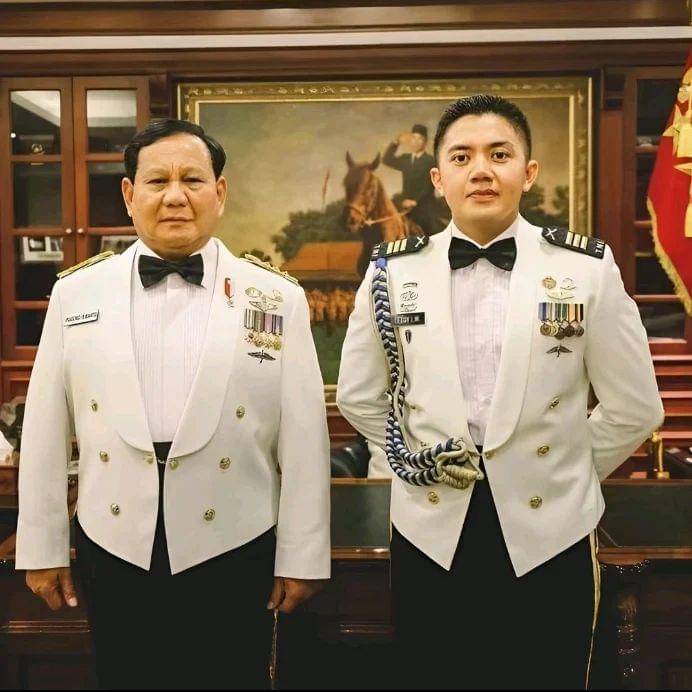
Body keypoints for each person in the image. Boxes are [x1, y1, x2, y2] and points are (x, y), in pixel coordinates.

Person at [337, 95, 663, 690]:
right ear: (438, 180)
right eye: (462, 157)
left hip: (551, 531)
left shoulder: (587, 270)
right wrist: (417, 458)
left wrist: (558, 468)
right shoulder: (391, 271)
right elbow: (359, 396)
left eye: (499, 154)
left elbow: (636, 406)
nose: (481, 170)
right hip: (431, 526)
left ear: (528, 172)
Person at [15, 118, 331, 690]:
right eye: (157, 181)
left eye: (193, 179)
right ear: (129, 194)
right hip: (115, 537)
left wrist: (303, 554)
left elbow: (306, 439)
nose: (176, 196)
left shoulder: (276, 296)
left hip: (235, 536)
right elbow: (43, 428)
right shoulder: (75, 293)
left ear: (220, 192)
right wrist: (41, 545)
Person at [382, 123, 445, 235]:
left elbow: (430, 186)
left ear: (425, 142)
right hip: (405, 207)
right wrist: (396, 142)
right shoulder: (405, 159)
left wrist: (415, 202)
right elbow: (386, 159)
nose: (416, 141)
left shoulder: (430, 161)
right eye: (413, 138)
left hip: (424, 208)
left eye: (419, 139)